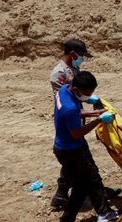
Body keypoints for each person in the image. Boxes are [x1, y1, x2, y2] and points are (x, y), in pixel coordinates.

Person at [53, 71, 120, 222]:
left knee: (83, 183)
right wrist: (99, 120)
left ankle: (69, 218)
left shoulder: (64, 90)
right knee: (91, 179)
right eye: (87, 93)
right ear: (76, 89)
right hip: (73, 149)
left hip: (65, 147)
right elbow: (76, 132)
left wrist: (94, 113)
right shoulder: (69, 107)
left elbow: (77, 112)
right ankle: (103, 214)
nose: (89, 96)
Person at [49, 39, 92, 209]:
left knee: (74, 159)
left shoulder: (74, 69)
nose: (82, 59)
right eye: (81, 56)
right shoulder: (58, 74)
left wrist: (89, 101)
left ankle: (60, 196)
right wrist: (93, 114)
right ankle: (82, 193)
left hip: (77, 114)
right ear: (73, 54)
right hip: (69, 120)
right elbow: (66, 101)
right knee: (74, 159)